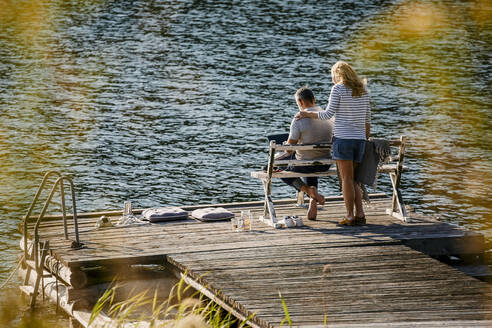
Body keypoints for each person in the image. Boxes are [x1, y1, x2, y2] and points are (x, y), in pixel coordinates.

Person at [296, 61, 370, 226]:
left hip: (343, 140)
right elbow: (367, 120)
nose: (332, 81)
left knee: (346, 179)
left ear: (338, 75)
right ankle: (360, 214)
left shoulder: (338, 89)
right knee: (355, 180)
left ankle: (350, 216)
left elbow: (327, 114)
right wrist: (365, 139)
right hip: (360, 141)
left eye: (333, 77)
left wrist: (307, 114)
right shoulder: (363, 90)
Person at [280, 87, 334, 220]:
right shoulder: (328, 116)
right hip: (325, 164)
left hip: (305, 164)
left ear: (300, 101)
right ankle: (312, 200)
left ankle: (310, 192)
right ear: (314, 100)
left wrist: (286, 146)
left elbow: (289, 149)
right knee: (309, 160)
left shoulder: (299, 119)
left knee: (278, 168)